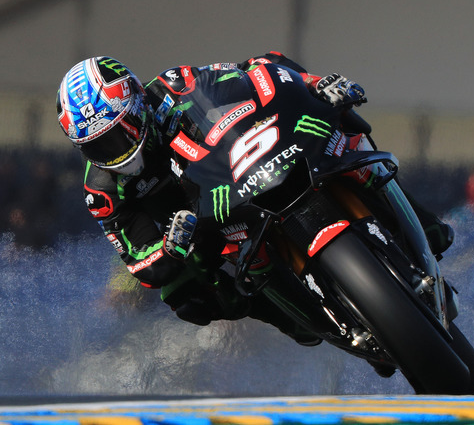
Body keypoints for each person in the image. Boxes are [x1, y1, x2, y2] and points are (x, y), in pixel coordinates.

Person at [56, 52, 453, 338]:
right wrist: (171, 248)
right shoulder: (102, 192)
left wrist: (317, 86)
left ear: (137, 105)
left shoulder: (177, 87)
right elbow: (140, 262)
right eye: (98, 146)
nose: (116, 151)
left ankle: (423, 223)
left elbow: (259, 74)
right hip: (198, 228)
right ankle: (296, 317)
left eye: (121, 132)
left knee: (342, 125)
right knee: (185, 297)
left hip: (242, 170)